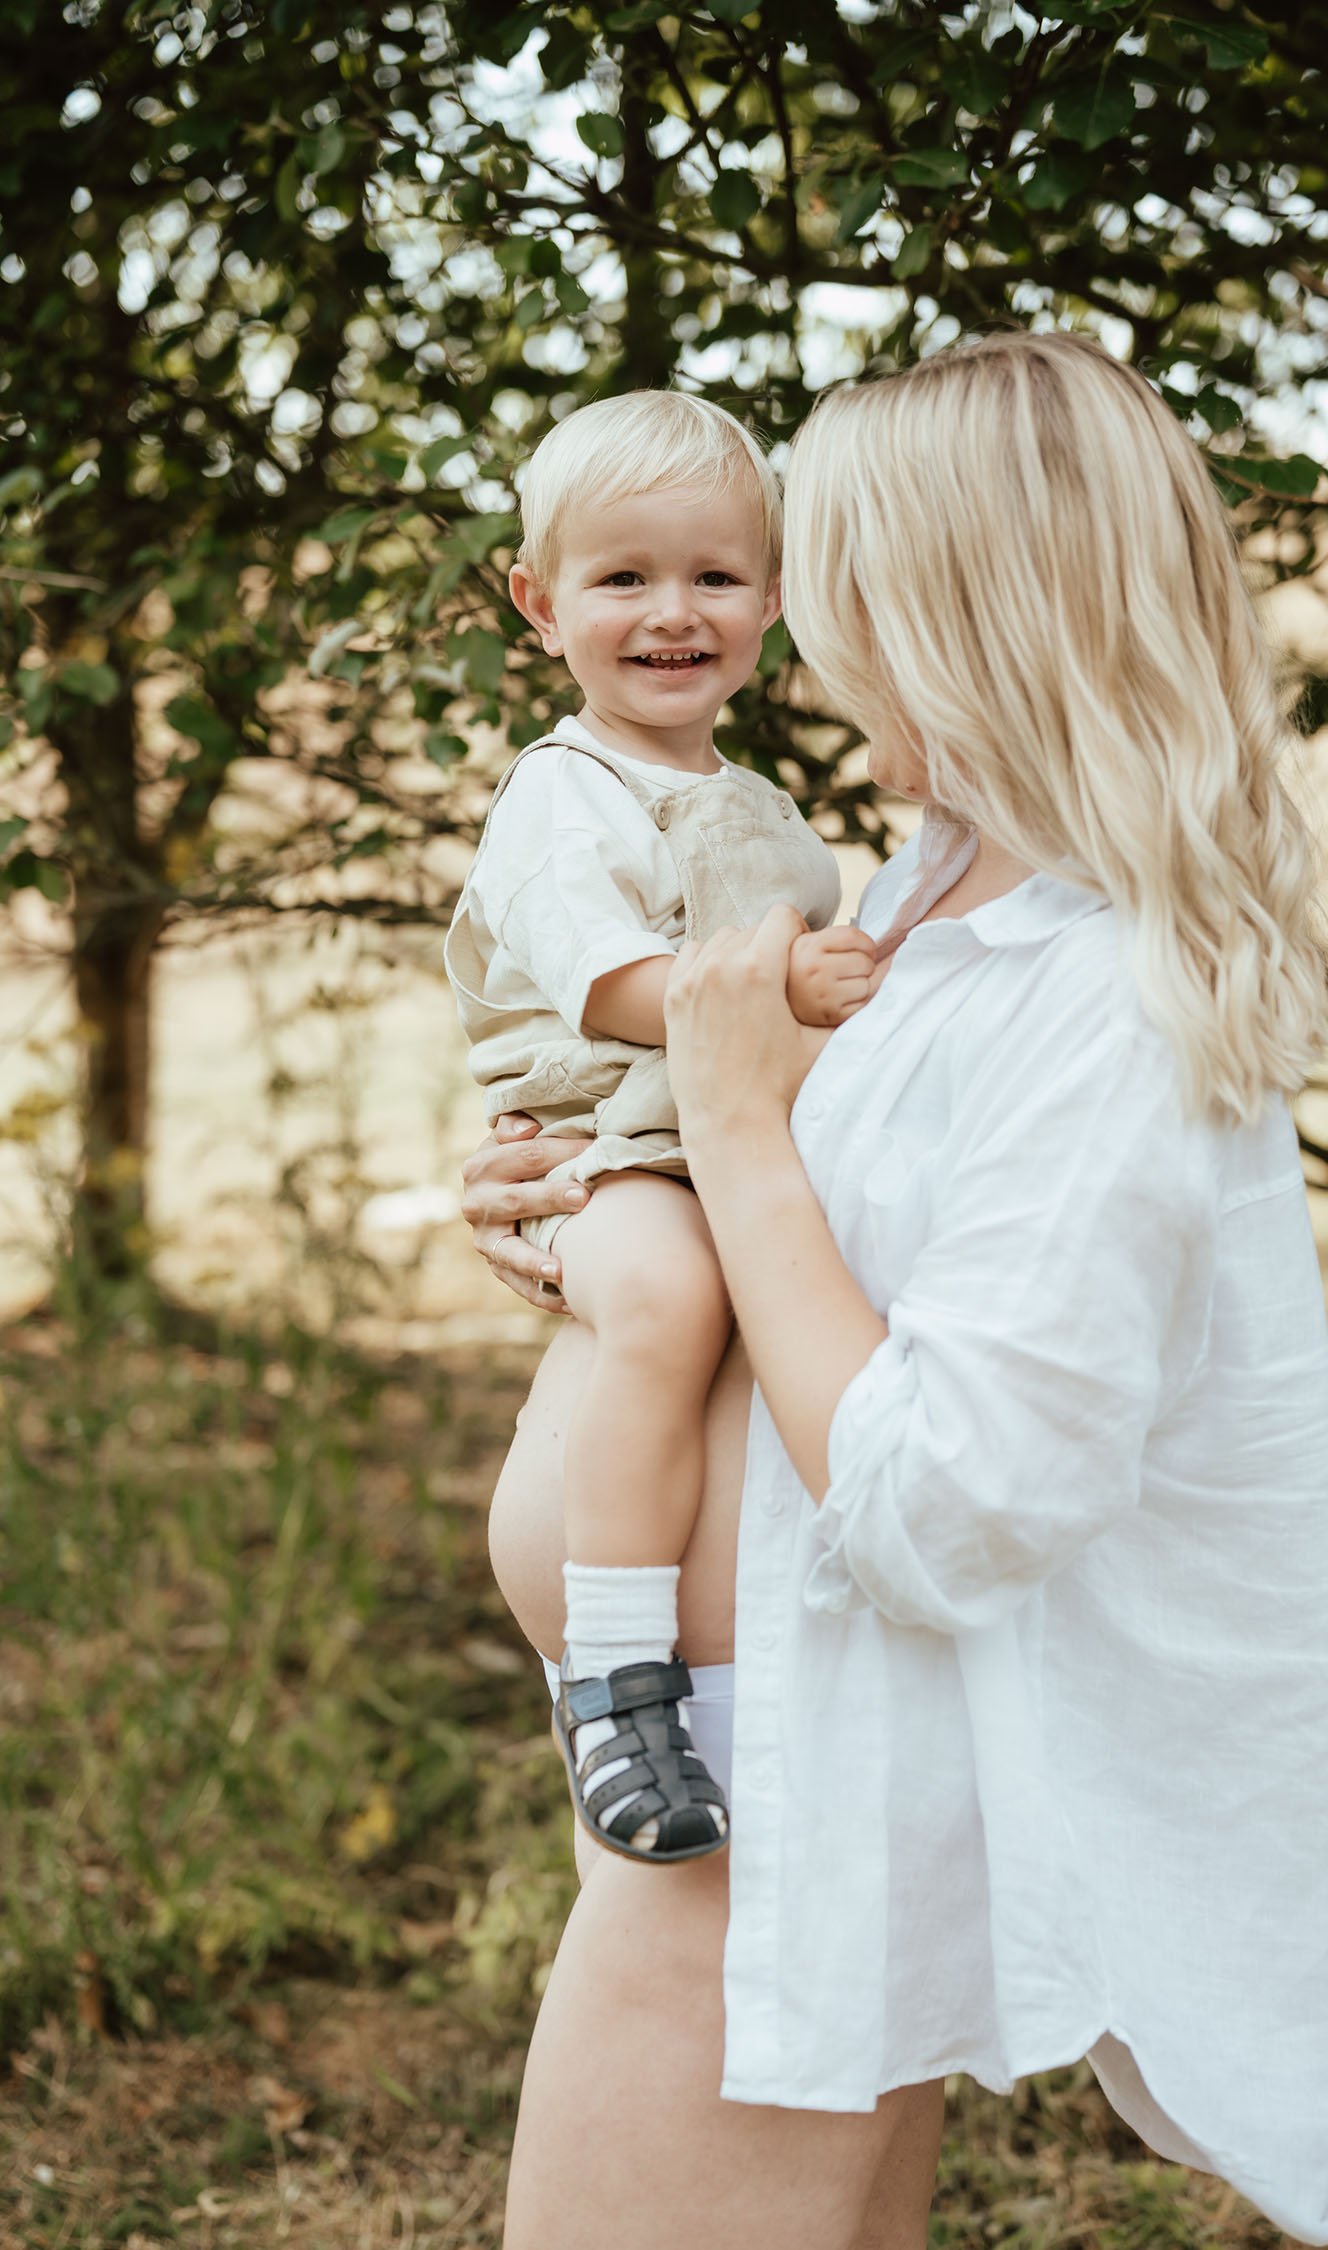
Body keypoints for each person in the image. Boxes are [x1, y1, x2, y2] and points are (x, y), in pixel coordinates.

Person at [461, 332, 1328, 2250]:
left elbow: (956, 1501)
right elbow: (806, 1257)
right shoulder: (914, 898)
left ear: (942, 604)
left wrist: (734, 1123)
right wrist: (588, 1201)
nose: (791, 625)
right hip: (725, 1777)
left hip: (775, 1813)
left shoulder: (1098, 987)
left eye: (818, 571)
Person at [444, 390, 873, 1862]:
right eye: (624, 577)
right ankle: (621, 1677)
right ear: (540, 601)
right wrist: (786, 985)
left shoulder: (754, 800)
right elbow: (612, 981)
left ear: (771, 598)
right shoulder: (562, 796)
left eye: (714, 575)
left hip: (702, 1139)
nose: (672, 612)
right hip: (609, 1143)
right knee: (670, 1294)